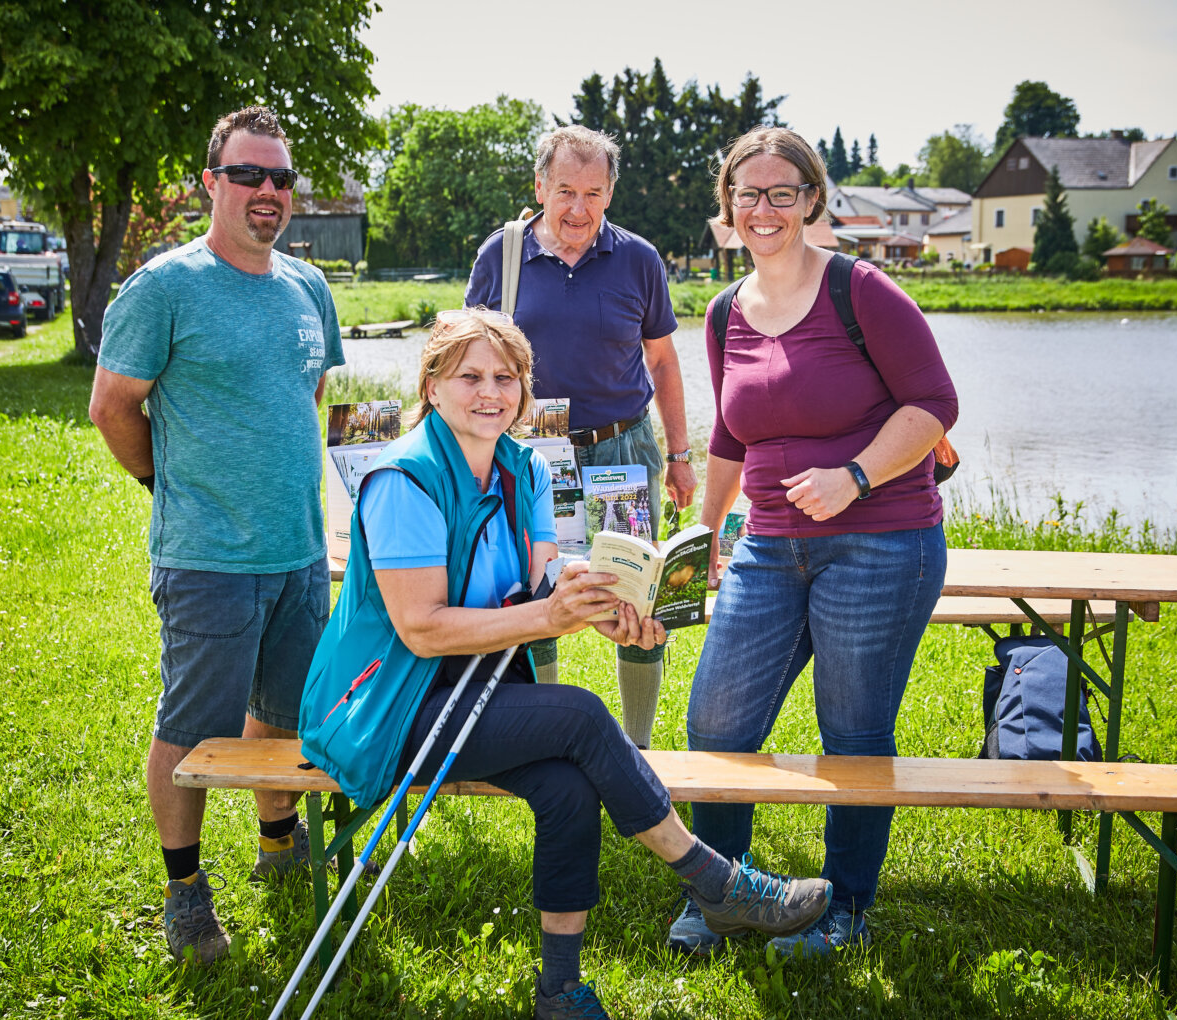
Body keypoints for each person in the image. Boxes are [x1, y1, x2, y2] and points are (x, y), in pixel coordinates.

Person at [299, 309, 831, 1020]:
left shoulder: (524, 468)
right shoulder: (403, 479)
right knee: (581, 715)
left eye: (506, 377)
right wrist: (549, 618)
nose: (490, 393)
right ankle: (716, 882)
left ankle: (559, 990)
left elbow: (544, 582)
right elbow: (421, 630)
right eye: (469, 377)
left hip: (476, 689)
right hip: (388, 704)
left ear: (524, 389)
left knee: (567, 788)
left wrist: (610, 613)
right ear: (430, 386)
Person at [666, 128, 958, 958]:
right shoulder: (725, 312)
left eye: (781, 193)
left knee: (853, 732)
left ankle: (847, 911)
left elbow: (933, 405)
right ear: (727, 208)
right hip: (767, 547)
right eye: (747, 195)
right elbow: (729, 432)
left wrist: (854, 477)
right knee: (718, 721)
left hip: (881, 542)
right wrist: (704, 529)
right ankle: (728, 894)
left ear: (811, 200)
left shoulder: (860, 290)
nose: (763, 209)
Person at [88, 106, 345, 965]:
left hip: (301, 552)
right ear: (212, 182)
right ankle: (185, 891)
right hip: (206, 558)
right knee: (193, 726)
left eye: (279, 178)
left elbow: (302, 395)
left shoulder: (308, 287)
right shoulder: (165, 286)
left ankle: (279, 843)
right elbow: (112, 406)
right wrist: (165, 485)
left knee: (282, 712)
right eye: (247, 175)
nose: (267, 192)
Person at [464, 125, 697, 750]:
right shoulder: (501, 256)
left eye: (593, 193)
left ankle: (640, 749)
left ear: (610, 195)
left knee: (638, 602)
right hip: (533, 455)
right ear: (540, 186)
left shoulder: (639, 260)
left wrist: (678, 455)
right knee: (538, 592)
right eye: (565, 190)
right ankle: (544, 742)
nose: (577, 208)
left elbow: (665, 363)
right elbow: (463, 356)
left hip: (622, 452)